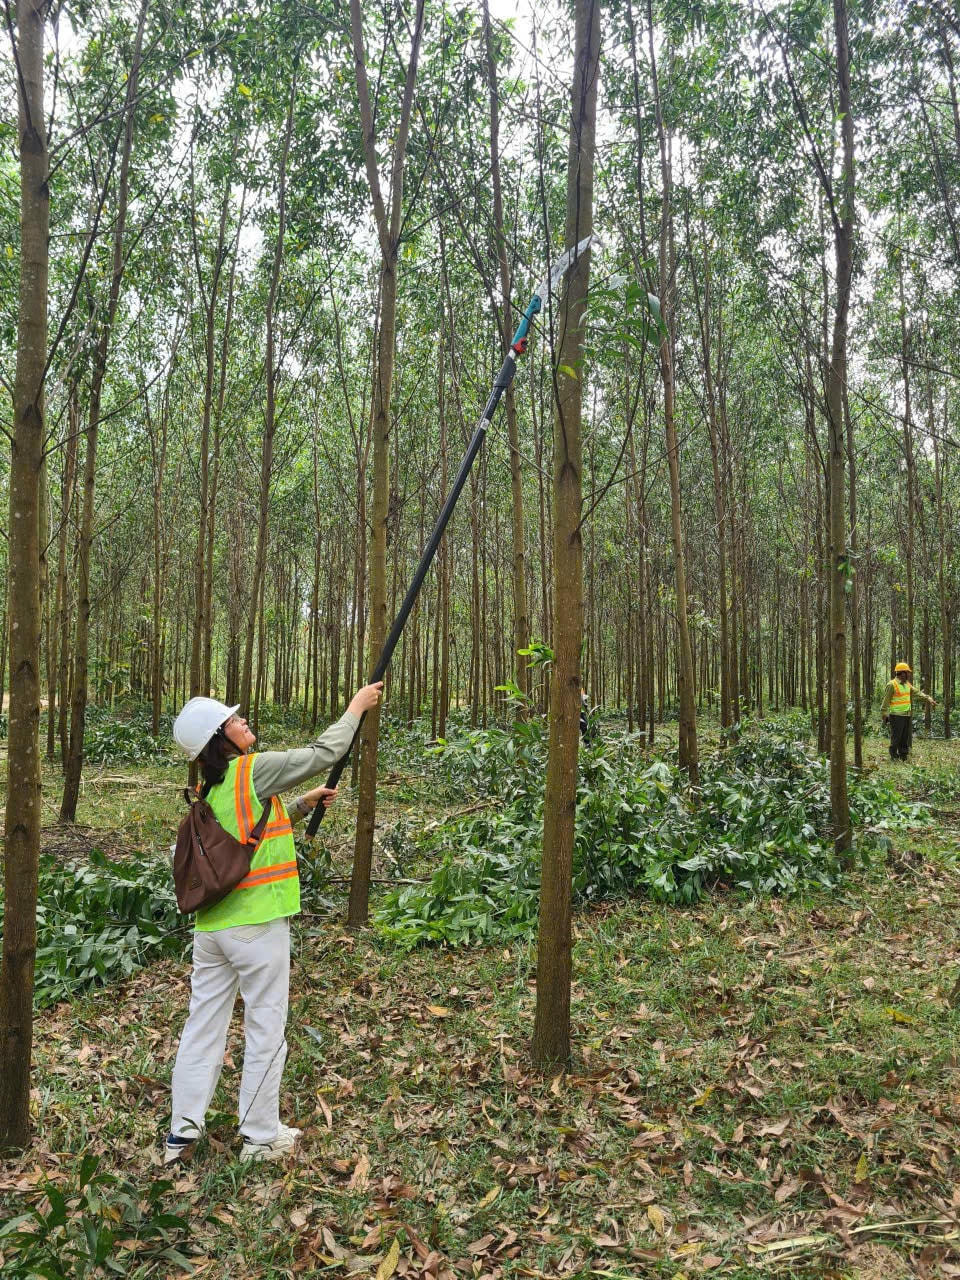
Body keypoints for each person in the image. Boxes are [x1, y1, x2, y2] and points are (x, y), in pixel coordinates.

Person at [166, 681, 383, 1165]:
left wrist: (302, 805)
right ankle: (261, 1137)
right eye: (235, 721)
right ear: (220, 738)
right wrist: (355, 707)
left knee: (203, 1026)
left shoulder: (212, 787)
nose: (245, 723)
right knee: (266, 1026)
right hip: (257, 925)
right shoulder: (254, 771)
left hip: (212, 931)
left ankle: (181, 1135)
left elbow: (250, 829)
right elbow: (325, 750)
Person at [881, 661, 935, 761]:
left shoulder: (907, 684)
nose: (909, 674)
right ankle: (893, 755)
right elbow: (885, 701)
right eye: (907, 672)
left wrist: (928, 698)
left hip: (906, 715)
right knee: (896, 737)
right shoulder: (891, 685)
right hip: (896, 715)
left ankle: (903, 755)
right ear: (902, 673)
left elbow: (917, 692)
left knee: (904, 737)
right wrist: (884, 714)